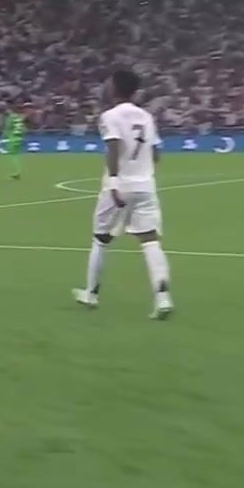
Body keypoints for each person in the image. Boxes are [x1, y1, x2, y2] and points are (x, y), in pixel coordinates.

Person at [73, 69, 174, 320]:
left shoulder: (110, 116)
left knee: (101, 239)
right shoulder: (146, 117)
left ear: (114, 88)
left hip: (119, 187)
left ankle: (91, 293)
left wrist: (115, 182)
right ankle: (163, 298)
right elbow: (156, 154)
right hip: (146, 186)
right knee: (150, 241)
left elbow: (113, 148)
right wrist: (141, 168)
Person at [2, 102, 27, 179]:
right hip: (19, 137)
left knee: (12, 155)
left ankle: (16, 172)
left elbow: (7, 128)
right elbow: (24, 129)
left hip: (12, 138)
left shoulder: (10, 118)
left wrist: (3, 137)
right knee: (15, 155)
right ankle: (16, 171)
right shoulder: (19, 118)